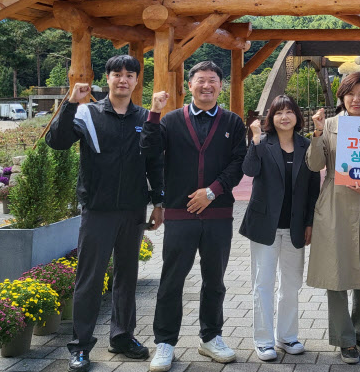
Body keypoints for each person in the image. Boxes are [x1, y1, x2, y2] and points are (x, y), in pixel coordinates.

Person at [46, 55, 164, 372]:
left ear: (137, 80)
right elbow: (56, 141)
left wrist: (159, 202)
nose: (122, 79)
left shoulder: (145, 116)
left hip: (133, 209)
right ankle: (81, 347)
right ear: (108, 78)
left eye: (129, 74)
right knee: (90, 279)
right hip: (97, 210)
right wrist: (70, 102)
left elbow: (153, 161)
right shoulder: (88, 113)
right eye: (116, 74)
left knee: (126, 277)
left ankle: (122, 337)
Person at [141, 61, 247, 372]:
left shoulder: (233, 122)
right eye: (200, 80)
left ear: (220, 85)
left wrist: (212, 191)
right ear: (190, 85)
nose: (206, 86)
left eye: (212, 81)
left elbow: (239, 162)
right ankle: (165, 342)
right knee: (172, 279)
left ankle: (210, 337)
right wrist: (154, 113)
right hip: (179, 211)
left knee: (215, 280)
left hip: (217, 213)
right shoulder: (171, 120)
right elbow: (148, 150)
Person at [306, 72, 360, 365]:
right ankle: (345, 339)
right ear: (342, 96)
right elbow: (315, 164)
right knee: (337, 271)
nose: (355, 100)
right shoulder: (329, 125)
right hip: (335, 203)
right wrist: (317, 133)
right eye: (350, 94)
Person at [239, 95, 321, 361]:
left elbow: (312, 190)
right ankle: (263, 341)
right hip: (265, 225)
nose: (284, 117)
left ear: (297, 116)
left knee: (291, 284)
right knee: (263, 283)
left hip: (295, 225)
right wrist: (253, 140)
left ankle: (286, 336)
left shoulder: (306, 145)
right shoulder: (263, 143)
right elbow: (249, 170)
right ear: (270, 119)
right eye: (278, 113)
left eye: (289, 112)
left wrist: (310, 222)